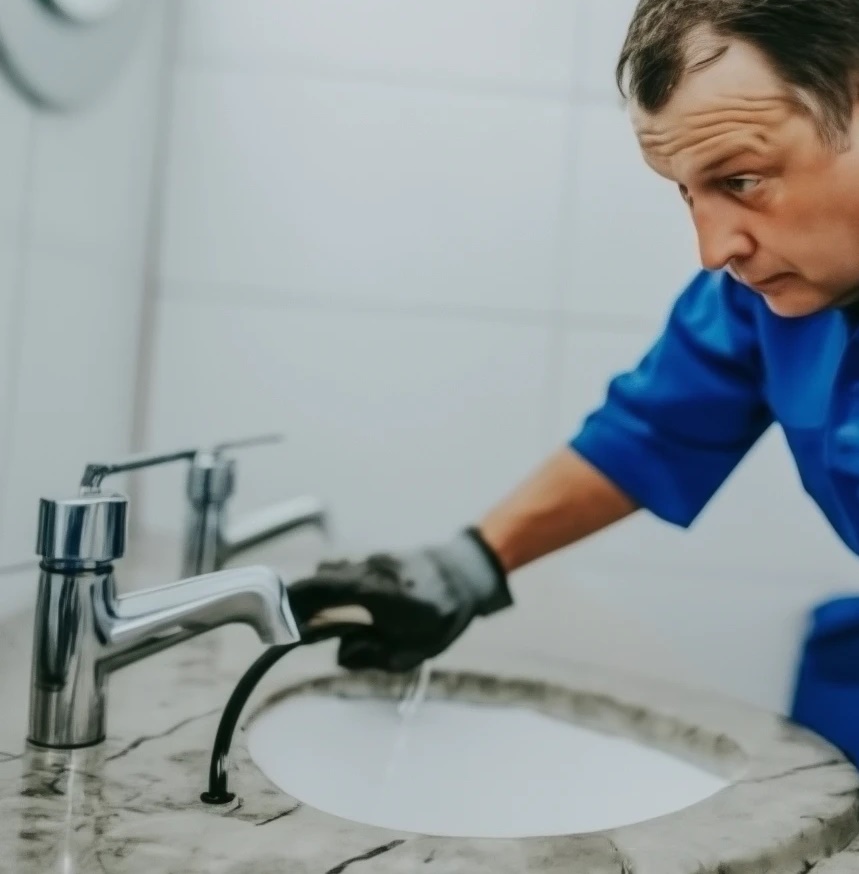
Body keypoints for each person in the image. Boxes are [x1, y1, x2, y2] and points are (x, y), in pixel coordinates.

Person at [289, 0, 859, 673]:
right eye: (686, 192)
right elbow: (651, 430)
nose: (712, 249)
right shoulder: (765, 304)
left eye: (742, 180)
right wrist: (467, 566)